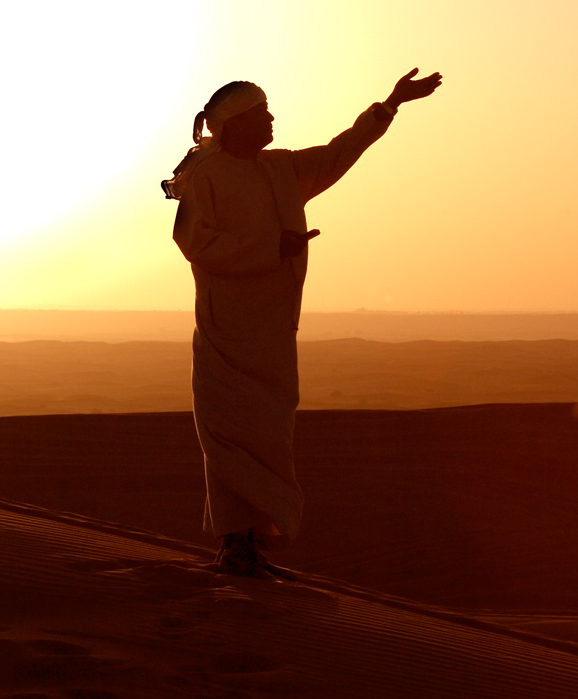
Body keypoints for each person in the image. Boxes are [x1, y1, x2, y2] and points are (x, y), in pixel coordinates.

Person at [163, 67, 442, 579]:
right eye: (261, 113)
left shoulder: (281, 170)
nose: (272, 119)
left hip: (273, 332)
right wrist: (273, 248)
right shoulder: (205, 176)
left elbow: (340, 152)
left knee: (269, 432)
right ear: (234, 125)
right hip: (228, 331)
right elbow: (193, 243)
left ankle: (253, 543)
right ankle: (234, 545)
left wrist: (390, 104)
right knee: (228, 436)